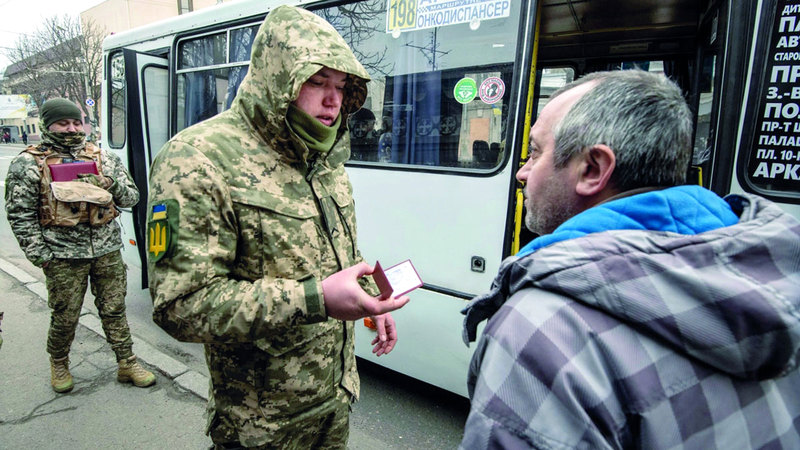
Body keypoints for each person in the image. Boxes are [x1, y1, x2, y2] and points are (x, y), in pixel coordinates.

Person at [460, 70, 800, 449]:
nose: (522, 172)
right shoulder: (775, 278)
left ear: (593, 169)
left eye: (536, 152)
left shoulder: (542, 331)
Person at [147, 6, 410, 448]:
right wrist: (315, 299)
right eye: (317, 82)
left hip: (334, 404)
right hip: (260, 427)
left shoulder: (323, 156)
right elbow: (180, 305)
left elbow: (334, 254)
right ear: (278, 77)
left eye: (342, 87)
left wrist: (369, 303)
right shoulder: (197, 158)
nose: (333, 101)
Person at [5, 98, 156, 393]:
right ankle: (59, 362)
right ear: (49, 125)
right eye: (63, 123)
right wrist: (42, 256)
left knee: (114, 309)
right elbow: (19, 213)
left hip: (106, 250)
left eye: (77, 122)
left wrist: (108, 183)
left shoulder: (102, 157)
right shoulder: (27, 163)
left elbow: (132, 198)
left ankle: (127, 362)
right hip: (62, 255)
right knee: (65, 313)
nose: (72, 128)